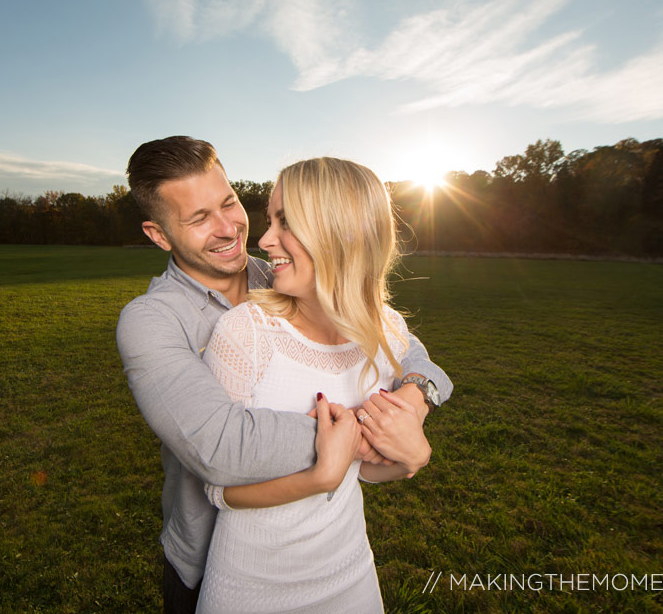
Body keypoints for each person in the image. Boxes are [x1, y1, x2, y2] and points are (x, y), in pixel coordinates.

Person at [116, 136, 451, 613]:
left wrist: (415, 402)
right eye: (198, 219)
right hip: (208, 555)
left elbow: (403, 347)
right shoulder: (150, 321)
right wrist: (369, 434)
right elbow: (221, 446)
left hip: (329, 556)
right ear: (159, 235)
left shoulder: (284, 275)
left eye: (229, 203)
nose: (230, 228)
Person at [195, 157, 429, 612]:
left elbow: (364, 469)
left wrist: (410, 459)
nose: (263, 240)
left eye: (286, 222)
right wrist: (319, 475)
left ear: (343, 232)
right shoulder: (246, 332)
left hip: (351, 577)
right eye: (270, 220)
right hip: (250, 588)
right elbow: (217, 490)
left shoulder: (389, 333)